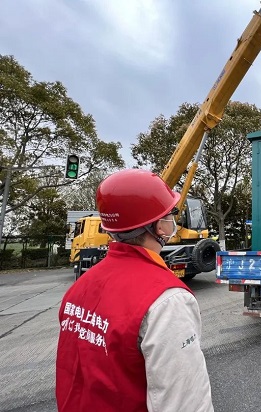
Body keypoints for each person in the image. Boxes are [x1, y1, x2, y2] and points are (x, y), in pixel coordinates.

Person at [56, 169, 214, 412]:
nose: (172, 221)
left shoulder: (80, 286)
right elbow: (186, 403)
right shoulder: (168, 301)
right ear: (159, 227)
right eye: (169, 215)